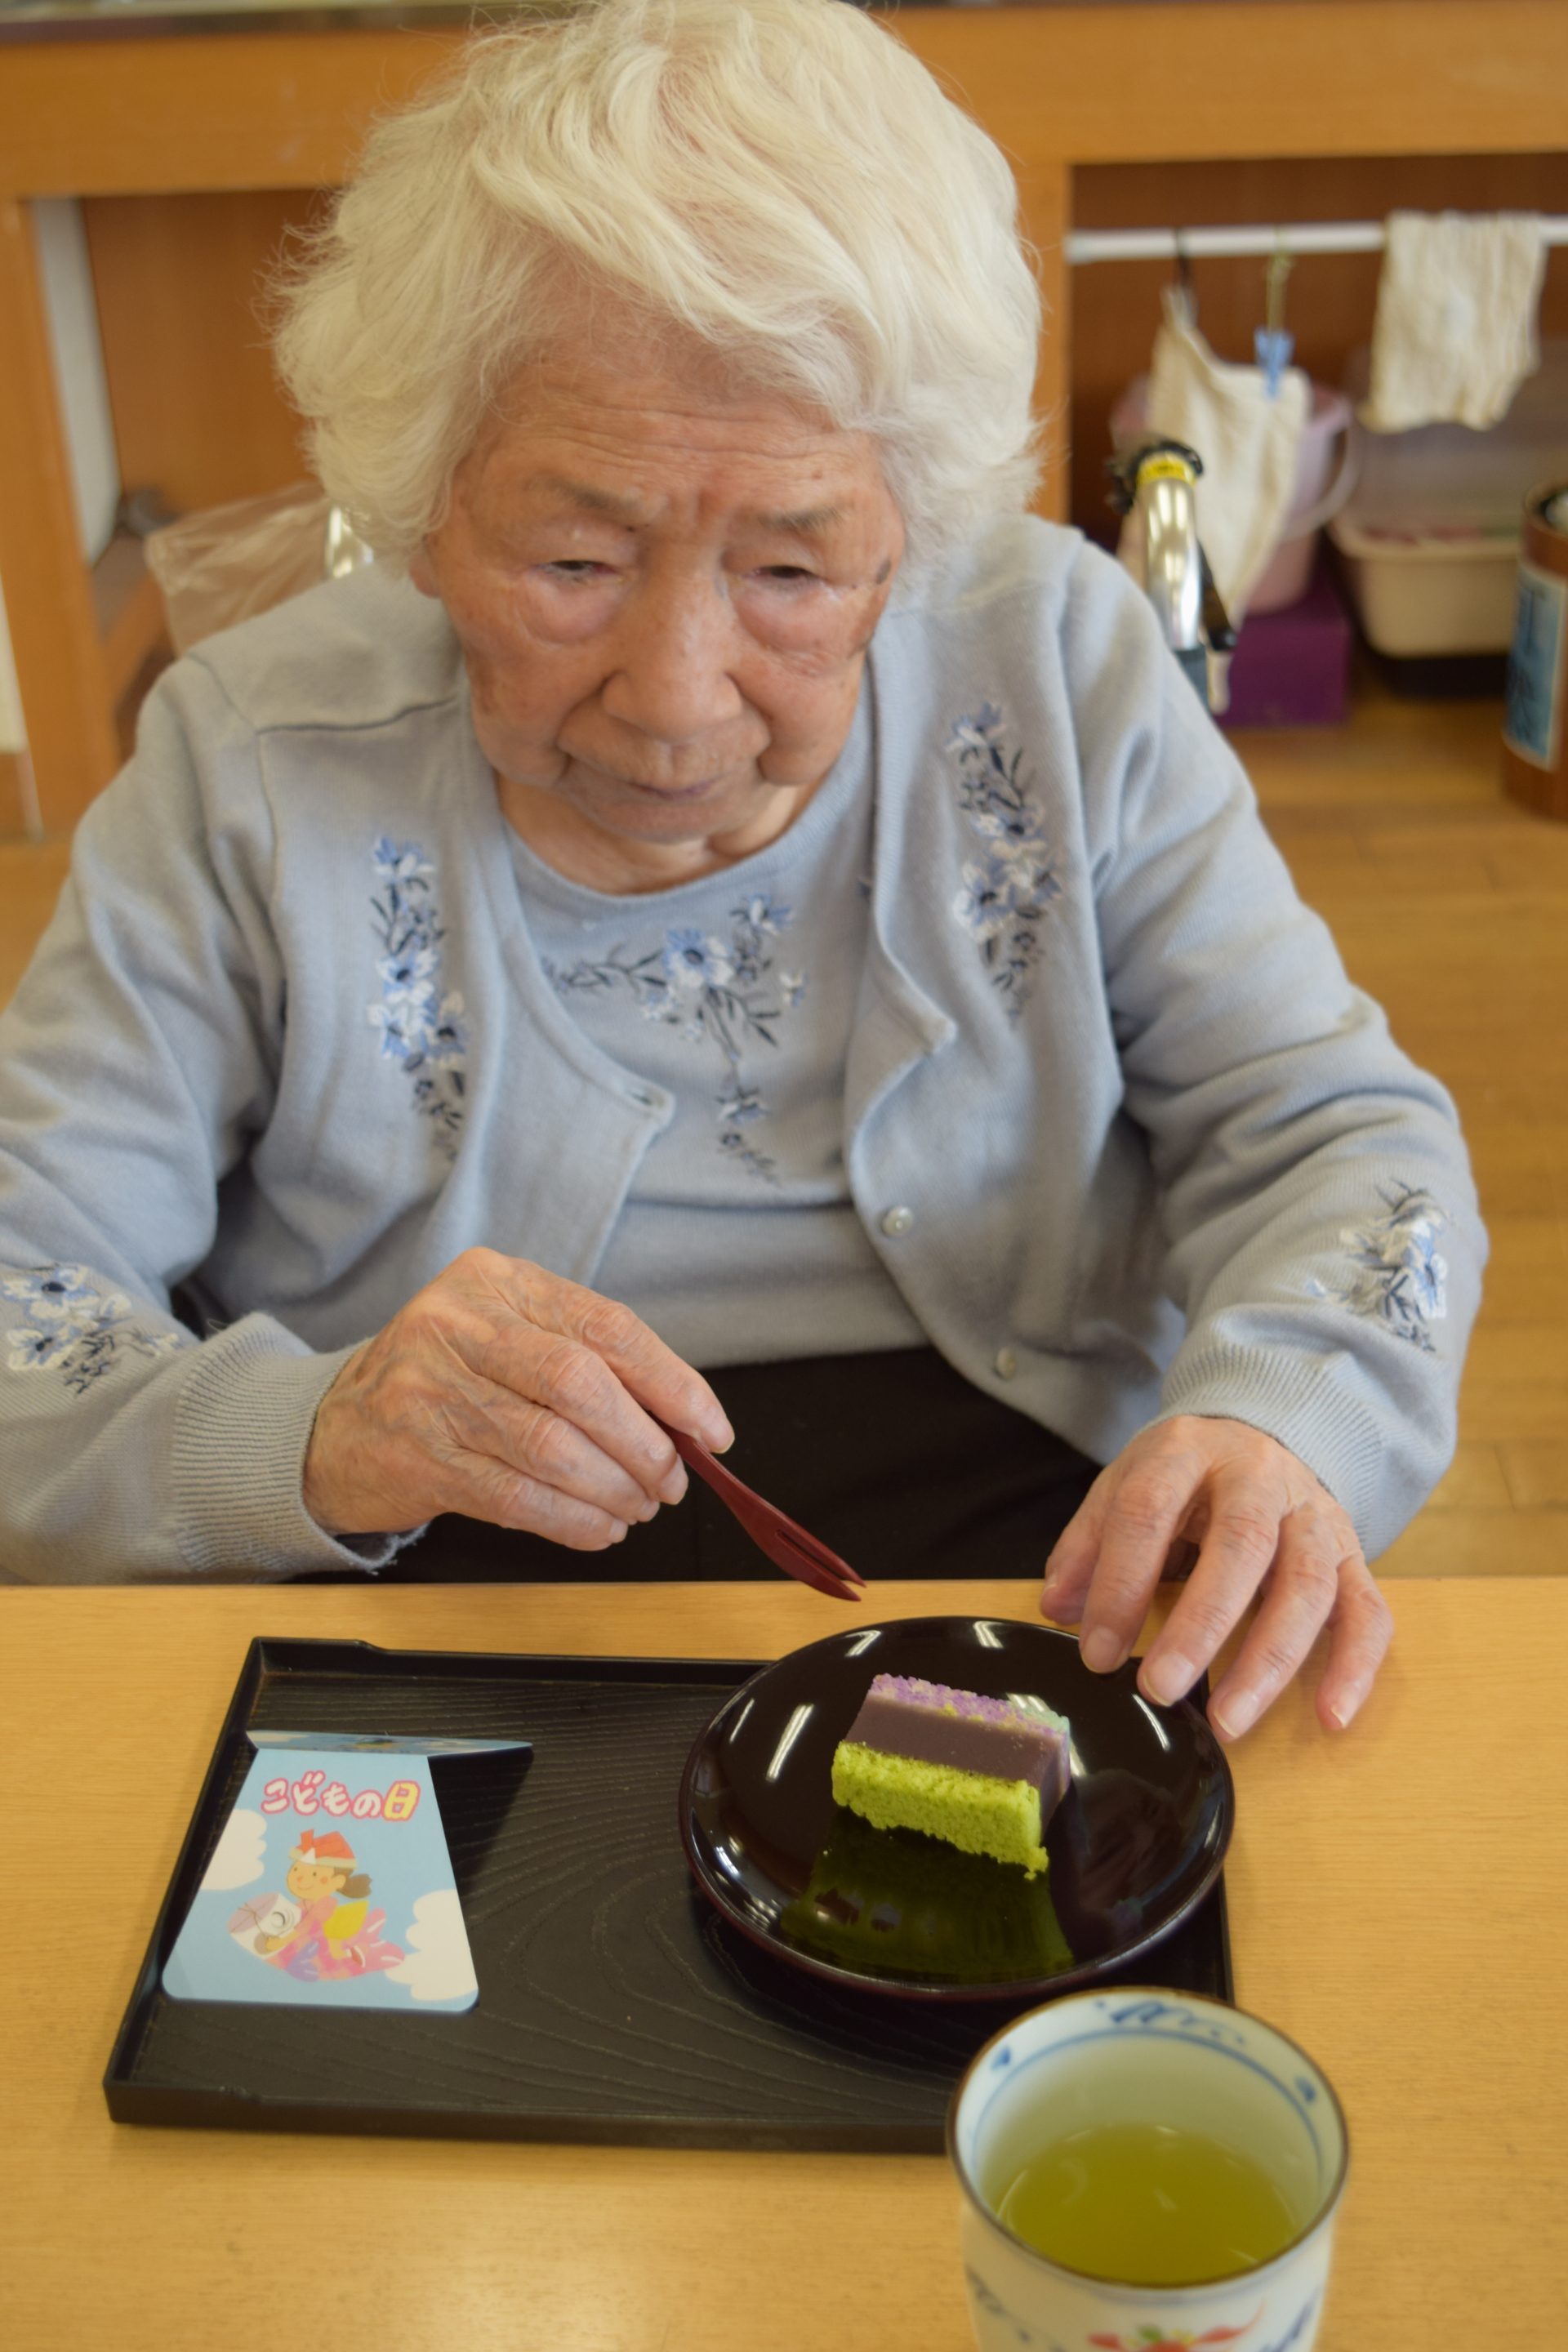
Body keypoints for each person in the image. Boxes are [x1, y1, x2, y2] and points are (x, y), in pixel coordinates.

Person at [0, 0, 1481, 1745]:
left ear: (910, 535)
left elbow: (1338, 1136)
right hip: (420, 1592)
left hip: (1038, 1567)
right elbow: (27, 1270)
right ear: (422, 514)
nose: (678, 697)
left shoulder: (1054, 666)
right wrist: (313, 1436)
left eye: (793, 572)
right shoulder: (251, 760)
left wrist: (1283, 1421)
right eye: (573, 558)